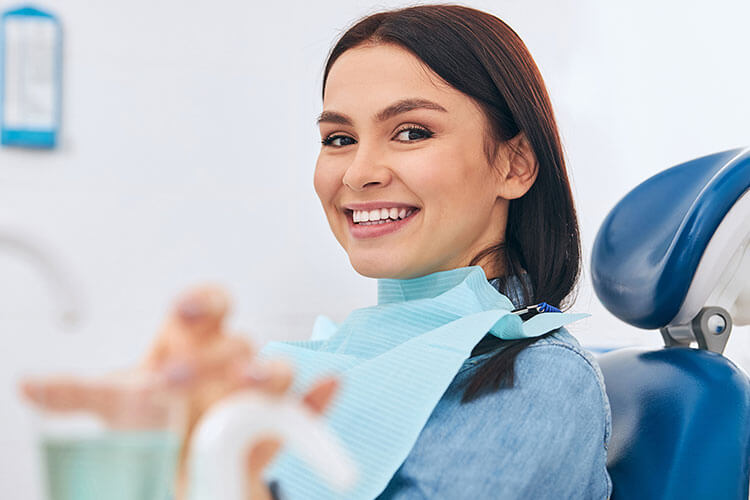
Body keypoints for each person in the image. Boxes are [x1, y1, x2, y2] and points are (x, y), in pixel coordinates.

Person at [21, 4, 612, 499]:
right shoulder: (322, 366)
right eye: (339, 139)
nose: (358, 172)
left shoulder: (541, 381)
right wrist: (156, 461)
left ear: (515, 164)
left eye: (411, 131)